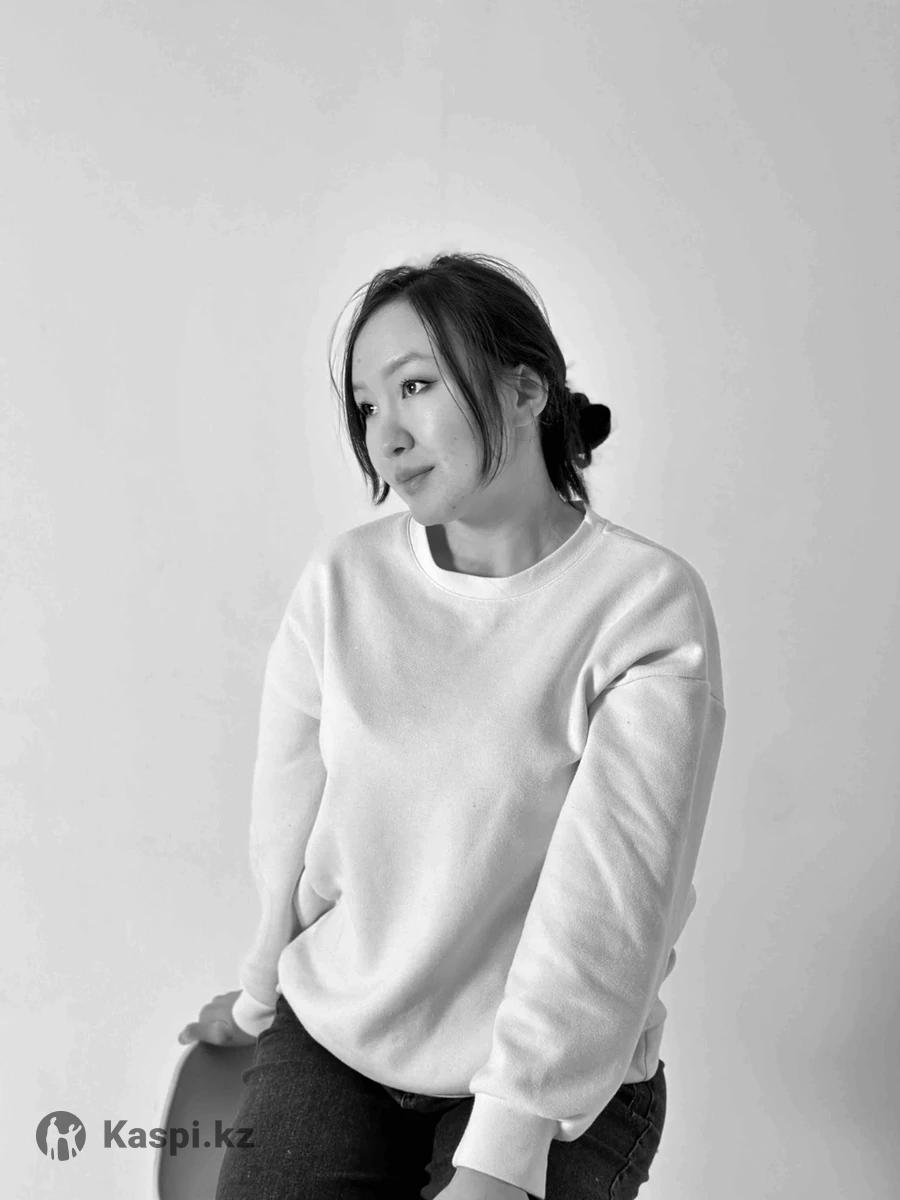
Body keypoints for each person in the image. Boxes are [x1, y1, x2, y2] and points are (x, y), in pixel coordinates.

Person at [178, 252, 727, 1200]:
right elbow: (291, 824)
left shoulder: (642, 606)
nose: (385, 437)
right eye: (365, 406)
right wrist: (262, 995)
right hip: (341, 1038)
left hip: (552, 1079)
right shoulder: (346, 581)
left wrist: (503, 1153)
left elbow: (608, 911)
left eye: (416, 386)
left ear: (526, 390)